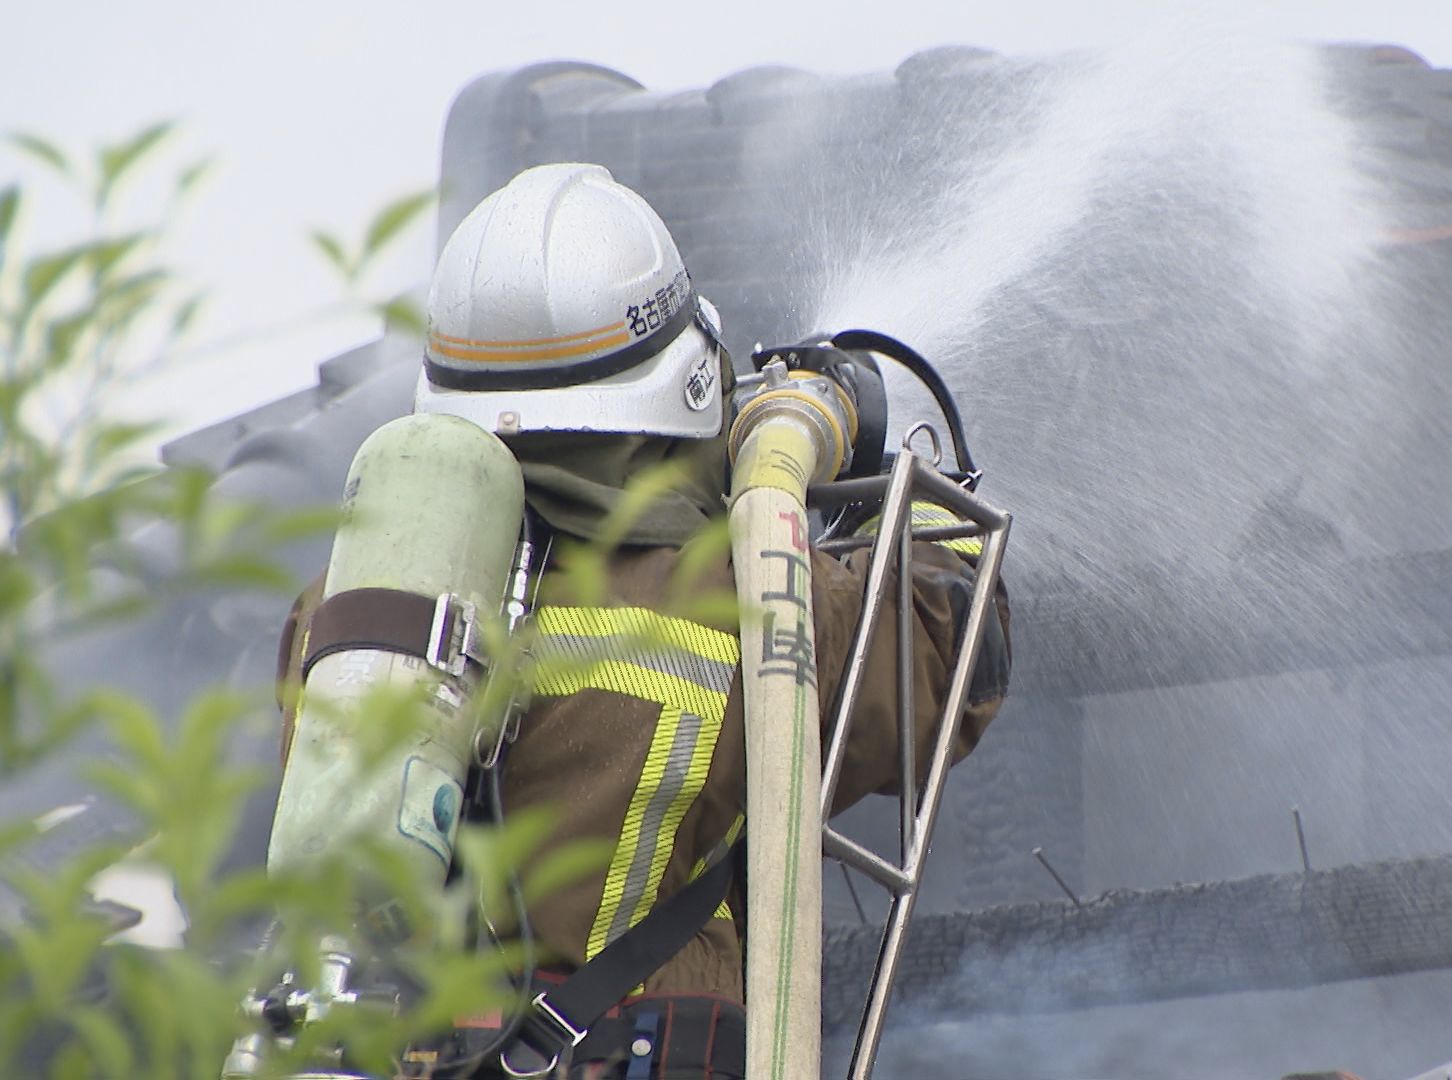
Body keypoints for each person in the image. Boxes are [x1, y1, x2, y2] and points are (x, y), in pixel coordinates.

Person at [275, 162, 1011, 1078]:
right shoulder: (742, 594)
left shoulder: (343, 610)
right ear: (684, 387)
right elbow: (944, 652)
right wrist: (906, 504)